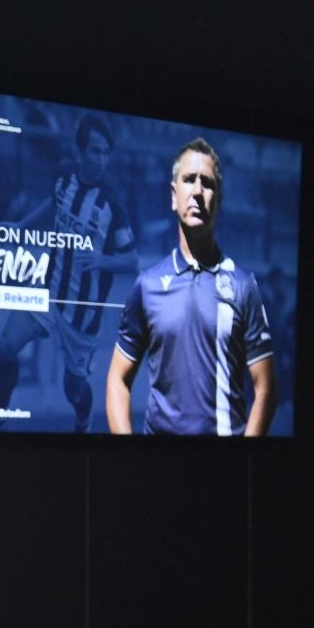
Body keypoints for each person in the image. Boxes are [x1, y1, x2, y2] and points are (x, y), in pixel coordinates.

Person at [104, 137, 276, 435]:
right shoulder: (147, 285)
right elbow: (117, 379)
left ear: (218, 199)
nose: (197, 191)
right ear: (174, 196)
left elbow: (266, 388)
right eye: (189, 180)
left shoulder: (244, 285)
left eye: (207, 183)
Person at [0, 114, 137, 431]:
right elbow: (54, 205)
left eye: (106, 152)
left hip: (82, 311)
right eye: (95, 151)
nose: (101, 159)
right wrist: (19, 227)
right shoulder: (65, 177)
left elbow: (132, 260)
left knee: (74, 387)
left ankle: (83, 419)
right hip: (48, 288)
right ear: (81, 151)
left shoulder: (112, 204)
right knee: (7, 347)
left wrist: (101, 261)